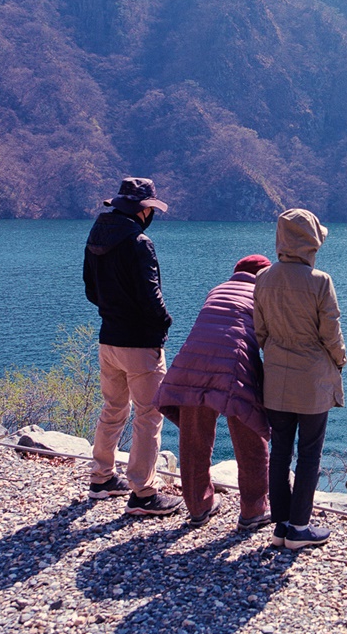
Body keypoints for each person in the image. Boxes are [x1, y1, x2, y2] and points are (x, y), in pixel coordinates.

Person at [82, 177, 183, 517]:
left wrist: (112, 312)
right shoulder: (139, 242)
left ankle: (101, 478)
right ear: (142, 210)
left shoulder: (97, 236)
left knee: (113, 408)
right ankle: (143, 493)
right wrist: (164, 323)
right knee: (149, 415)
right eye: (151, 209)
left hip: (108, 337)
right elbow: (150, 294)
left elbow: (90, 290)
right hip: (140, 343)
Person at [156, 255, 273, 529]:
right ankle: (253, 510)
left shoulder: (217, 288)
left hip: (192, 361)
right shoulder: (264, 292)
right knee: (251, 437)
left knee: (194, 438)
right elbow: (270, 337)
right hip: (234, 363)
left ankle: (198, 507)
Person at [253, 208, 346, 550]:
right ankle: (300, 527)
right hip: (313, 381)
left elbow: (259, 331)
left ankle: (280, 525)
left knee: (279, 450)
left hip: (275, 377)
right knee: (309, 453)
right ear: (311, 242)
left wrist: (277, 352)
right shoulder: (320, 281)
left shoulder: (263, 278)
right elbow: (331, 334)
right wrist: (340, 361)